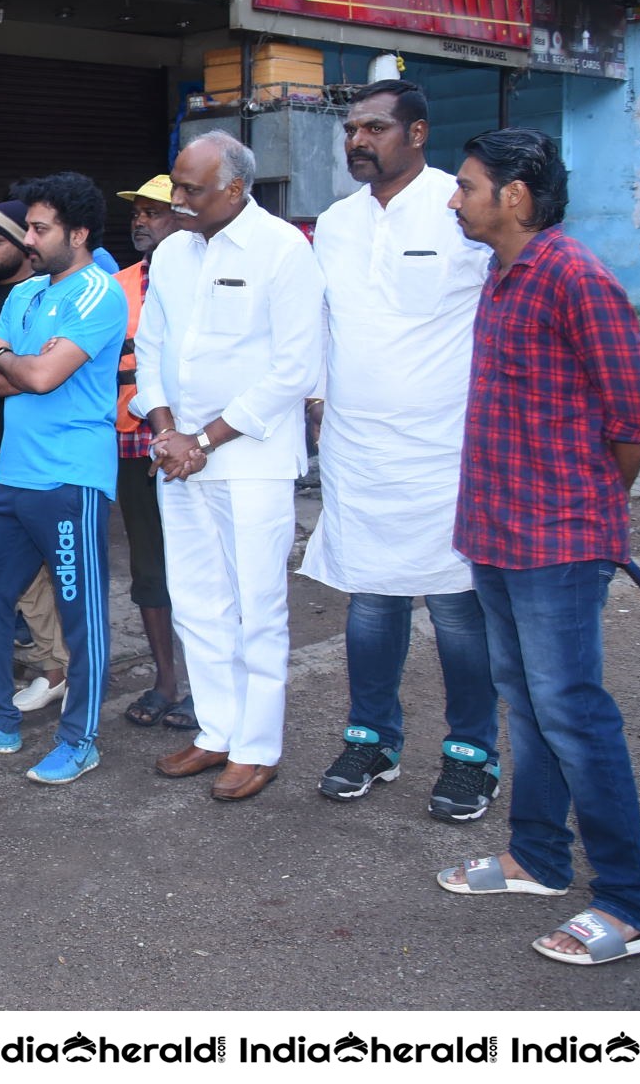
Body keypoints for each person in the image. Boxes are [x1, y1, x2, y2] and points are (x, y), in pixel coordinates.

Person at [438, 127, 640, 967]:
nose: (453, 198)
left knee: (573, 709)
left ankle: (633, 903)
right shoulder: (501, 273)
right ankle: (537, 857)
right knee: (525, 701)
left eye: (465, 185)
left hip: (557, 538)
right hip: (495, 529)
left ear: (516, 196)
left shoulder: (576, 277)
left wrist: (589, 508)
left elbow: (635, 416)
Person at [302, 80, 499, 821]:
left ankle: (472, 755)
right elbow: (324, 321)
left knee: (456, 611)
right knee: (372, 604)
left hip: (447, 448)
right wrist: (317, 403)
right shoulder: (336, 221)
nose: (357, 139)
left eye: (374, 127)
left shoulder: (461, 208)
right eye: (352, 127)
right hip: (358, 447)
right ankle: (372, 739)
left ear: (416, 134)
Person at [134, 132, 323, 803]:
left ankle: (257, 747)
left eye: (191, 190)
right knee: (197, 600)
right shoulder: (176, 253)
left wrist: (203, 440)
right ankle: (216, 729)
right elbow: (151, 347)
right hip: (179, 460)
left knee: (257, 606)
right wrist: (164, 430)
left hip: (250, 459)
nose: (176, 201)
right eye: (175, 185)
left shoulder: (284, 250)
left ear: (235, 189)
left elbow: (292, 369)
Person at [0, 174, 127, 785]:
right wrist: (23, 362)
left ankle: (81, 739)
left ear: (78, 233)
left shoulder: (99, 292)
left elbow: (42, 377)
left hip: (71, 480)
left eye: (41, 229)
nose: (31, 239)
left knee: (82, 615)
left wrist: (16, 363)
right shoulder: (25, 295)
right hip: (15, 475)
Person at [0, 200, 70, 712]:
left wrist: (26, 373)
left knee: (66, 570)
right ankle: (55, 668)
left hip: (56, 457)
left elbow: (50, 375)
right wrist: (29, 374)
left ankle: (81, 673)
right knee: (25, 579)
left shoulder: (60, 295)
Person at [113, 175, 192, 732]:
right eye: (137, 212)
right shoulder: (114, 286)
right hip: (132, 446)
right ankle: (167, 681)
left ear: (185, 216)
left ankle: (212, 685)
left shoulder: (203, 278)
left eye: (155, 212)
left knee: (207, 567)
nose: (142, 221)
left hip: (200, 448)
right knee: (149, 567)